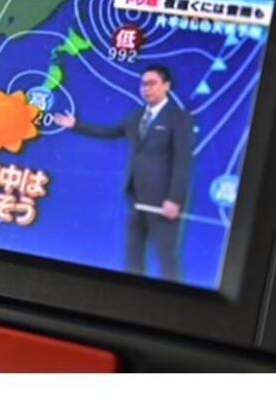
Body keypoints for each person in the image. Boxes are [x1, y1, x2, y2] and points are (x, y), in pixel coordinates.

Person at [54, 65, 194, 280]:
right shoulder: (137, 116)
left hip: (164, 204)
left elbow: (183, 162)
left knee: (166, 258)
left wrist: (174, 199)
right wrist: (76, 125)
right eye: (143, 84)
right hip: (136, 198)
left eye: (152, 83)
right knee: (133, 258)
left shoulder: (179, 118)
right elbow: (110, 132)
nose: (146, 88)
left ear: (166, 85)